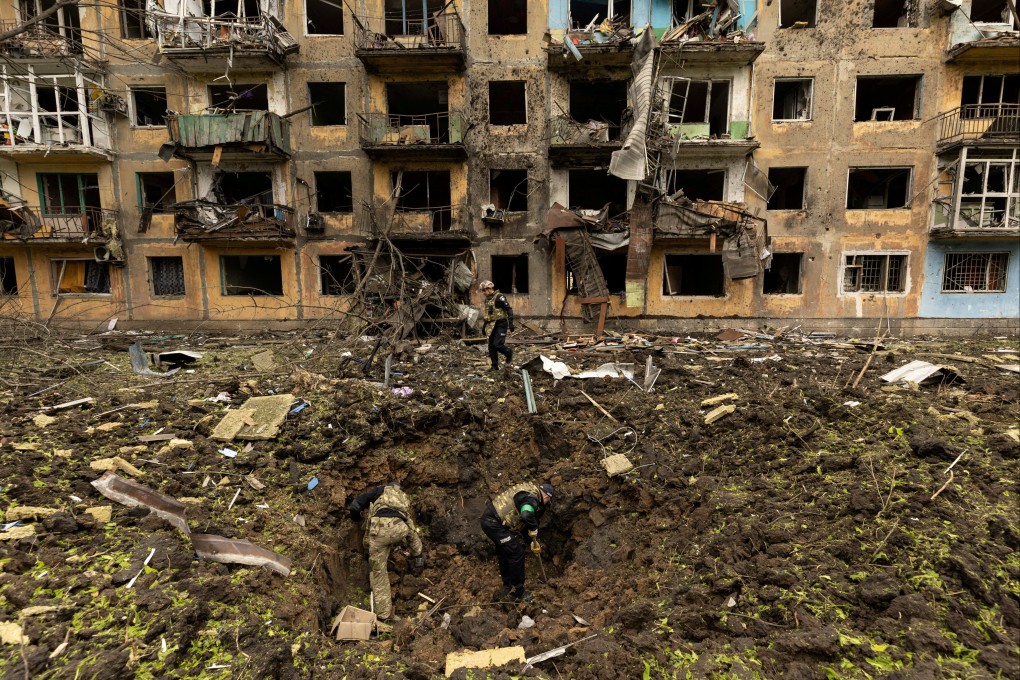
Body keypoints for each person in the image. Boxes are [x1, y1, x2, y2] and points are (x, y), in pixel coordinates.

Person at [348, 482, 424, 621]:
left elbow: (355, 505)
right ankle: (418, 560)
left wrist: (356, 518)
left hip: (380, 532)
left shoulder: (379, 491)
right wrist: (418, 554)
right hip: (399, 528)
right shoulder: (403, 498)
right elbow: (411, 529)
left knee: (379, 573)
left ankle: (384, 614)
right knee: (408, 530)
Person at [480, 482, 554, 603]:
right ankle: (519, 591)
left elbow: (523, 524)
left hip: (491, 521)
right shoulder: (532, 499)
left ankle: (508, 584)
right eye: (548, 501)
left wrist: (531, 541)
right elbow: (526, 514)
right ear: (546, 497)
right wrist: (534, 528)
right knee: (516, 552)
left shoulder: (528, 491)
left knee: (505, 551)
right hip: (494, 523)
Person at [479, 280, 515, 371]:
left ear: (489, 289)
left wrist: (511, 322)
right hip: (491, 325)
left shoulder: (499, 297)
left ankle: (509, 353)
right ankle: (494, 366)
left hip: (501, 324)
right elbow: (488, 315)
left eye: (484, 290)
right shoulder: (488, 299)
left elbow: (508, 309)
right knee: (491, 347)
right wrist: (484, 327)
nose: (483, 293)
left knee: (497, 344)